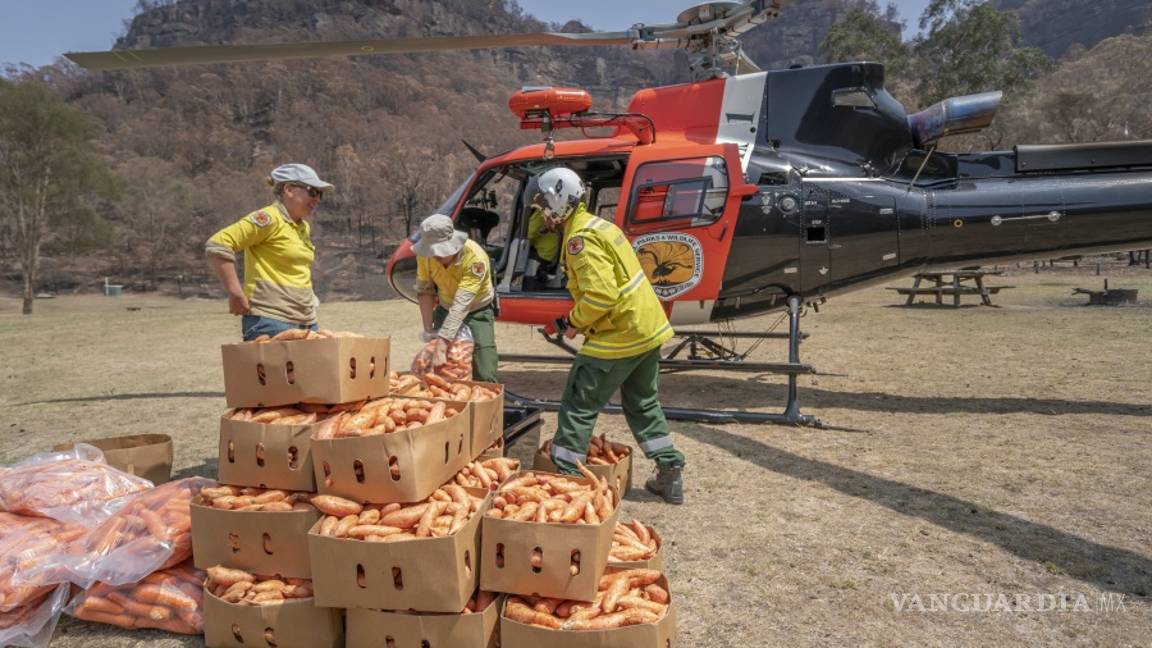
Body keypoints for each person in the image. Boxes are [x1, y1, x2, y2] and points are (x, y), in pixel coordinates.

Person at [531, 167, 687, 504]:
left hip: (620, 334)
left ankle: (568, 479)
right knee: (643, 403)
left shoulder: (579, 241)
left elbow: (602, 296)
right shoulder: (601, 227)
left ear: (560, 201)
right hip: (646, 329)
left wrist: (567, 320)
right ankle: (670, 472)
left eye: (544, 203)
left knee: (577, 404)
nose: (542, 211)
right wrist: (578, 322)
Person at [205, 163, 333, 341]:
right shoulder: (268, 219)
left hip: (306, 321)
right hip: (270, 321)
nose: (317, 198)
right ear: (289, 189)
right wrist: (235, 293)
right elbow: (218, 244)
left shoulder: (304, 227)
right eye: (313, 191)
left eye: (320, 194)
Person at [413, 213, 499, 383]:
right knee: (442, 371)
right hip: (445, 308)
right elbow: (425, 291)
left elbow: (462, 304)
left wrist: (442, 344)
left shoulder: (475, 258)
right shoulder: (425, 256)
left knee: (484, 368)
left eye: (438, 251)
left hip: (476, 310)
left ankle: (486, 404)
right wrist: (428, 331)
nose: (434, 256)